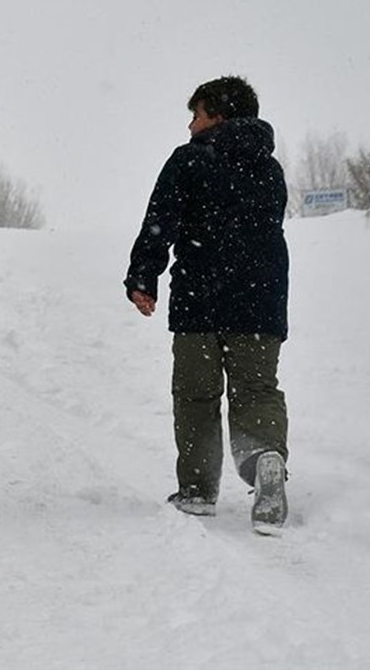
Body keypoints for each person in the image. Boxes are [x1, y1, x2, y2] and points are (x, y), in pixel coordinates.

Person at [124, 75, 290, 535]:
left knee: (197, 395)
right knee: (256, 390)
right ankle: (266, 461)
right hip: (261, 301)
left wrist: (143, 277)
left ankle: (197, 491)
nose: (191, 126)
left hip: (201, 298)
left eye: (196, 115)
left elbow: (161, 222)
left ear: (218, 114)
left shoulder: (190, 159)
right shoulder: (269, 166)